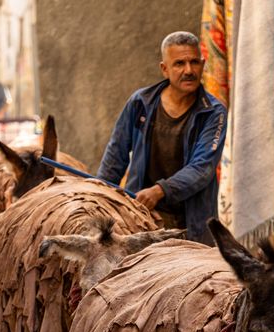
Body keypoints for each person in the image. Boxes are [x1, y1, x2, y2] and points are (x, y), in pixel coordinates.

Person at [97, 31, 227, 245]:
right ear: (164, 69)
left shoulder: (213, 112)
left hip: (192, 226)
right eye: (179, 64)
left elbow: (202, 169)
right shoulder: (141, 103)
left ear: (203, 64)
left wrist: (160, 191)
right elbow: (114, 159)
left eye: (194, 62)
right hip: (142, 220)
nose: (188, 70)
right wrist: (99, 198)